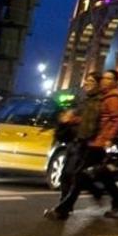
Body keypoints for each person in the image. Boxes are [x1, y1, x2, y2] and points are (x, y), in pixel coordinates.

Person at [48, 69, 118, 219]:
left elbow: (117, 119)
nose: (105, 81)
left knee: (79, 175)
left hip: (98, 142)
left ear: (115, 82)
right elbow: (93, 119)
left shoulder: (113, 98)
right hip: (94, 140)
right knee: (102, 175)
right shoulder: (105, 97)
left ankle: (63, 209)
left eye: (109, 79)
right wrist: (72, 120)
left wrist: (108, 139)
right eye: (104, 78)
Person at [45, 72, 104, 219]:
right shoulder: (83, 100)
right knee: (68, 175)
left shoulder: (98, 102)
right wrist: (69, 119)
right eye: (86, 81)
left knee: (72, 175)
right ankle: (90, 194)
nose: (87, 84)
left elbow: (91, 125)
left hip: (85, 145)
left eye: (91, 81)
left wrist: (78, 121)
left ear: (98, 85)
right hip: (75, 142)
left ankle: (63, 209)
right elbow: (76, 118)